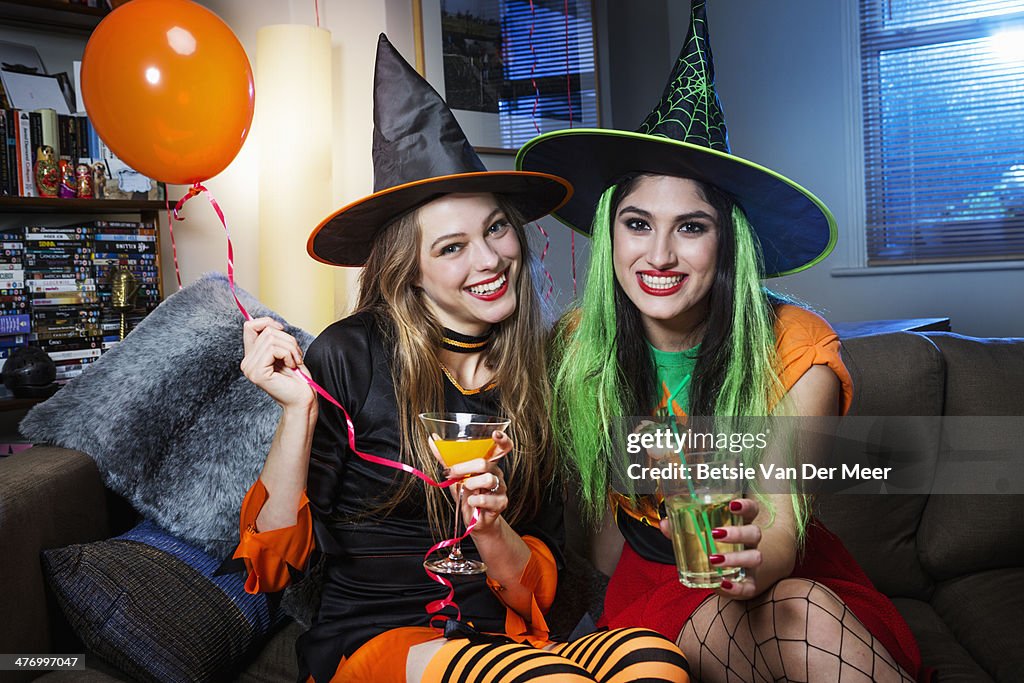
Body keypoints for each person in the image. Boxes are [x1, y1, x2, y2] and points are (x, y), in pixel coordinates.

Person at [232, 35, 690, 683]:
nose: (489, 259)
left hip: (502, 635)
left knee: (657, 664)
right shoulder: (349, 353)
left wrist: (492, 524)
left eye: (495, 229)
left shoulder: (536, 369)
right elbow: (273, 568)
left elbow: (538, 590)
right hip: (377, 640)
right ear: (408, 268)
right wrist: (299, 413)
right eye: (452, 247)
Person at [518, 2, 929, 682]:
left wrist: (747, 560)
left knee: (796, 608)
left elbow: (782, 533)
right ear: (611, 233)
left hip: (778, 572)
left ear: (727, 241)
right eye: (638, 223)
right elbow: (596, 533)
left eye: (691, 227)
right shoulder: (576, 346)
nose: (659, 255)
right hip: (651, 586)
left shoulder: (799, 347)